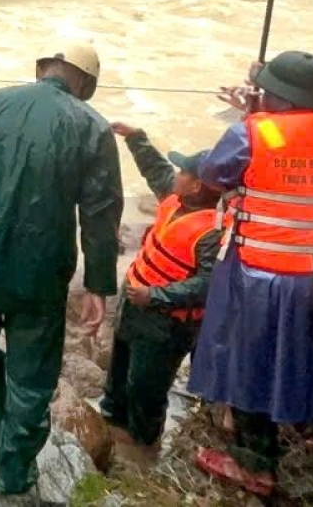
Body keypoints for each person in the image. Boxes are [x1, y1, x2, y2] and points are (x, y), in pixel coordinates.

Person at [0, 43, 122, 496]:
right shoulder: (93, 128)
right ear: (87, 84)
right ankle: (14, 473)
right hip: (37, 276)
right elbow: (100, 213)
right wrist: (98, 284)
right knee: (31, 377)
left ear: (42, 68)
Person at [189, 52, 313, 497]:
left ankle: (255, 466)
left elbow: (214, 173)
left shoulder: (253, 132)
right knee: (300, 359)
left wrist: (250, 120)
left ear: (276, 95)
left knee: (248, 362)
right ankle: (298, 422)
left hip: (261, 271)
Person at [100, 126, 220, 458]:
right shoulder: (175, 197)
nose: (175, 175)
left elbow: (209, 284)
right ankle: (110, 414)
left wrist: (157, 296)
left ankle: (142, 445)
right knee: (120, 364)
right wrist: (135, 137)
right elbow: (156, 169)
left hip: (167, 322)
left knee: (146, 387)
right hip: (136, 303)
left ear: (196, 185)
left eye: (183, 171)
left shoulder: (212, 232)